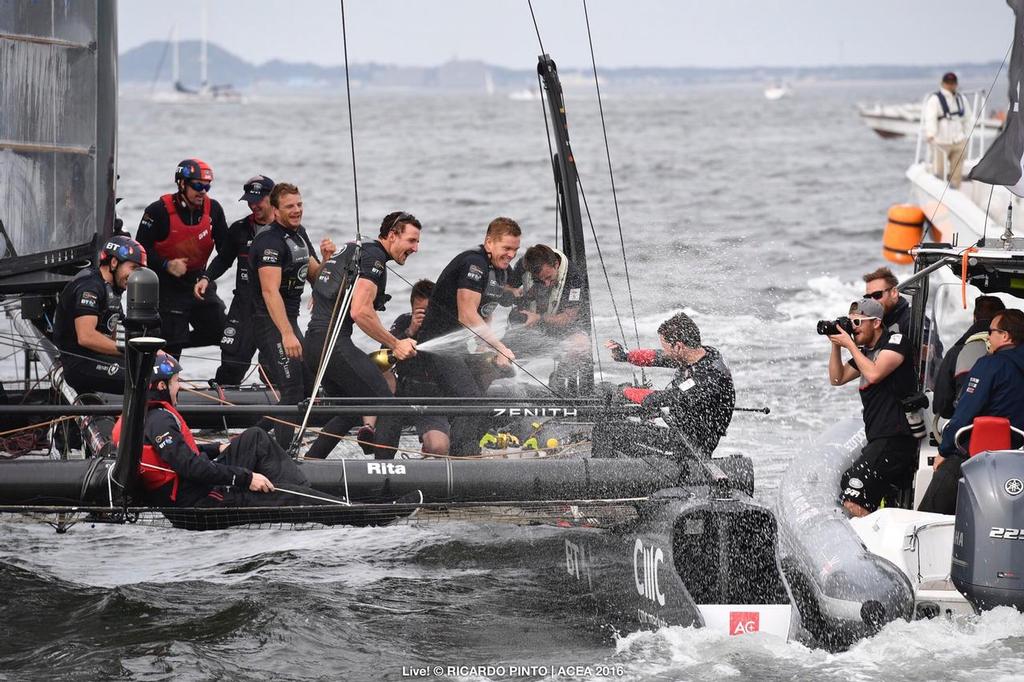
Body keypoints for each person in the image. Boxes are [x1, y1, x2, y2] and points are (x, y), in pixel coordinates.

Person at [112, 353, 337, 509]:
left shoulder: (147, 415)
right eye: (175, 381)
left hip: (193, 486)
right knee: (287, 496)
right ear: (161, 386)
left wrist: (216, 447)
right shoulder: (159, 419)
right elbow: (188, 466)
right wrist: (246, 478)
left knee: (255, 438)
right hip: (201, 498)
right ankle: (304, 497)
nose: (179, 386)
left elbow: (173, 454)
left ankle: (302, 491)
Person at [397, 217, 521, 456]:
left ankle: (466, 451)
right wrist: (499, 347)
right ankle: (462, 458)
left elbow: (485, 311)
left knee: (480, 399)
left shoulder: (500, 269)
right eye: (506, 248)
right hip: (435, 348)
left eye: (516, 249)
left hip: (458, 348)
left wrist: (484, 348)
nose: (511, 254)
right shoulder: (473, 263)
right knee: (472, 401)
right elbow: (466, 314)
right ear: (489, 242)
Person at [302, 212, 421, 459]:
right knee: (388, 406)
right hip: (332, 344)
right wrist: (396, 343)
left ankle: (311, 463)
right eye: (411, 240)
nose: (416, 248)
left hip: (314, 344)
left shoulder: (354, 248)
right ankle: (384, 476)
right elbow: (360, 311)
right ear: (392, 235)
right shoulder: (373, 258)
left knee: (350, 409)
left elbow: (324, 289)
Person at [249, 182, 335, 448]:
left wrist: (327, 259)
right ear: (275, 211)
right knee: (292, 389)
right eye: (289, 207)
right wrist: (286, 334)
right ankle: (283, 453)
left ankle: (249, 438)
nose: (297, 210)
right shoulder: (269, 242)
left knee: (307, 388)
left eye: (299, 204)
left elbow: (315, 277)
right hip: (270, 324)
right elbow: (269, 292)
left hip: (290, 320)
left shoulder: (298, 235)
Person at [919, 309, 1024, 515]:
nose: (988, 337)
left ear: (1005, 336)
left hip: (979, 458)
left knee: (930, 511)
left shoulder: (990, 365)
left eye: (991, 332)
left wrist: (944, 451)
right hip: (1017, 460)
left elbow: (964, 413)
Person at [828, 298, 919, 517]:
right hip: (878, 438)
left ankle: (873, 546)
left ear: (876, 323)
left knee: (853, 495)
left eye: (857, 323)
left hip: (897, 439)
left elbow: (875, 373)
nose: (853, 328)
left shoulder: (896, 343)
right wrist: (835, 344)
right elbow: (837, 379)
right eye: (851, 323)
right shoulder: (865, 353)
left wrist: (850, 345)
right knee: (848, 481)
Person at [602, 311, 735, 458]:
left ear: (678, 346)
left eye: (667, 348)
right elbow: (660, 357)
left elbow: (659, 399)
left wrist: (624, 391)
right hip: (681, 428)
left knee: (607, 430)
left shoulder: (707, 378)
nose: (665, 352)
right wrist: (626, 355)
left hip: (691, 444)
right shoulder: (704, 353)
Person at [136, 159, 229, 357]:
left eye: (207, 186)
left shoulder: (214, 210)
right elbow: (140, 250)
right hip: (167, 286)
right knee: (172, 345)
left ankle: (163, 346)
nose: (203, 191)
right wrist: (166, 264)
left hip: (198, 282)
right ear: (181, 184)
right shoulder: (157, 211)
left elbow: (226, 253)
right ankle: (165, 352)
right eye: (197, 185)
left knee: (221, 331)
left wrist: (207, 277)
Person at [53, 236, 147, 395]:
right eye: (133, 268)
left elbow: (118, 332)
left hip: (97, 358)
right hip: (79, 364)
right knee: (143, 377)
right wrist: (129, 351)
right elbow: (86, 337)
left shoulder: (112, 289)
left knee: (153, 367)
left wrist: (152, 350)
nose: (136, 276)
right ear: (114, 263)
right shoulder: (90, 287)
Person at [208, 175, 276, 385]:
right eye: (249, 200)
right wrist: (205, 277)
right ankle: (220, 410)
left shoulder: (289, 230)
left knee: (275, 369)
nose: (253, 205)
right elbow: (223, 259)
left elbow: (307, 264)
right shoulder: (239, 228)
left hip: (275, 309)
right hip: (243, 307)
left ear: (272, 198)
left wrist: (319, 291)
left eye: (258, 200)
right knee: (231, 364)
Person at [932, 295, 1005, 419]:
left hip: (967, 430)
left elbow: (941, 406)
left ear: (975, 318)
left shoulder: (955, 353)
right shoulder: (1013, 355)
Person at [924, 72, 972, 188]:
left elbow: (968, 118)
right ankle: (937, 193)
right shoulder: (935, 99)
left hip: (958, 140)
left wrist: (967, 134)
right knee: (939, 171)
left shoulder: (961, 99)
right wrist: (931, 134)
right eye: (948, 83)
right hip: (941, 141)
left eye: (953, 83)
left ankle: (955, 191)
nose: (950, 85)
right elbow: (930, 117)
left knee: (957, 172)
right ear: (942, 83)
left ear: (956, 84)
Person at [863, 266, 910, 335]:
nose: (872, 301)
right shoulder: (874, 321)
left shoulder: (911, 319)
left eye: (877, 295)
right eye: (868, 297)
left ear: (894, 293)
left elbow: (928, 344)